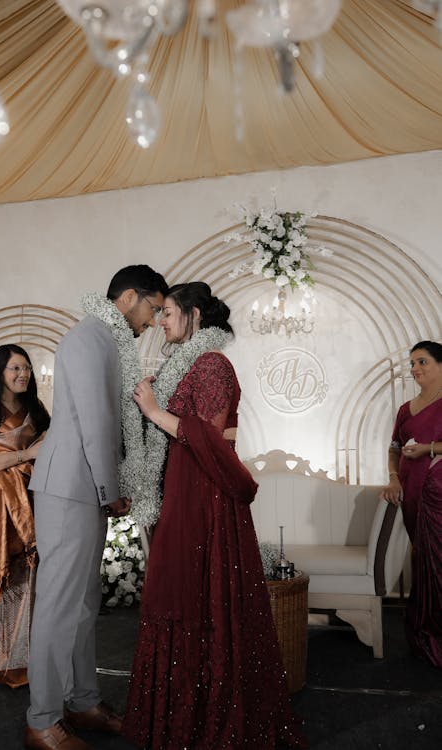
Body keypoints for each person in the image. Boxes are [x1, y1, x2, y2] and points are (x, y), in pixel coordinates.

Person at [123, 282, 306, 750]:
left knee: (198, 597)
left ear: (195, 316)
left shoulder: (212, 364)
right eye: (159, 312)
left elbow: (205, 439)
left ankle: (205, 718)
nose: (161, 321)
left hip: (204, 500)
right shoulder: (190, 363)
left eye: (168, 313)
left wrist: (152, 410)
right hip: (188, 493)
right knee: (183, 595)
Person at [25, 265, 167, 750]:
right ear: (128, 297)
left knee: (85, 605)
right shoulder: (90, 337)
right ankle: (42, 719)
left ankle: (82, 701)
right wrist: (113, 488)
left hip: (83, 486)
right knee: (58, 608)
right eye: (151, 308)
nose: (150, 321)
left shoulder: (109, 340)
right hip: (69, 486)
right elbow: (95, 420)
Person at [0, 344, 50, 688]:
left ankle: (26, 659)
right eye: (15, 369)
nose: (23, 374)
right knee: (3, 573)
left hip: (29, 500)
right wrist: (25, 454)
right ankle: (1, 663)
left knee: (30, 575)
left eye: (26, 368)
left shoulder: (34, 406)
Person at [380, 340, 442, 668]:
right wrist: (393, 478)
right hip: (411, 492)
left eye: (423, 362)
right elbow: (394, 447)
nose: (415, 369)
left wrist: (429, 448)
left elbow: (427, 447)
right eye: (413, 363)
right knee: (422, 561)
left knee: (438, 562)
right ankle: (422, 636)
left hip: (438, 493)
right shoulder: (406, 409)